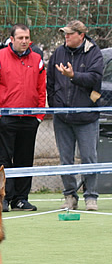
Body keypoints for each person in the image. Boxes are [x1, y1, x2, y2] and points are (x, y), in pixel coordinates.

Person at [0, 24, 46, 212]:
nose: (24, 41)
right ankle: (2, 198)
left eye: (27, 38)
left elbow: (41, 89)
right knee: (3, 161)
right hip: (6, 119)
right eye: (20, 38)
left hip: (29, 119)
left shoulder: (37, 60)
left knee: (25, 160)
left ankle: (21, 198)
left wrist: (39, 116)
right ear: (12, 39)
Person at [47, 20, 103, 211]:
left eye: (70, 34)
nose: (66, 36)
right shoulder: (58, 53)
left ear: (81, 35)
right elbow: (51, 81)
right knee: (66, 159)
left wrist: (73, 75)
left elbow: (95, 78)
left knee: (89, 158)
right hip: (62, 117)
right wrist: (55, 105)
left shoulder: (94, 52)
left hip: (87, 117)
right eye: (65, 33)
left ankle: (90, 197)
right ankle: (70, 195)